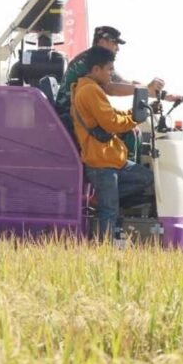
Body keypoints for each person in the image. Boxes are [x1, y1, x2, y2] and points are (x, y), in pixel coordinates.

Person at [71, 46, 154, 242]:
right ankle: (104, 249)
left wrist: (133, 115)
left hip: (110, 159)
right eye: (109, 70)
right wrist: (135, 119)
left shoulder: (90, 89)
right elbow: (112, 124)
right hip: (101, 163)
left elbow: (112, 116)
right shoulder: (90, 91)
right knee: (109, 212)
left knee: (145, 177)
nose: (111, 74)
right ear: (96, 70)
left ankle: (100, 198)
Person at [55, 26, 183, 143]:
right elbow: (111, 88)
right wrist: (147, 89)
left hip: (83, 117)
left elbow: (123, 82)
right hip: (71, 119)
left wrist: (163, 95)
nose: (118, 48)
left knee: (131, 132)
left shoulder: (100, 60)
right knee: (127, 133)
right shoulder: (87, 62)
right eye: (115, 43)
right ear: (102, 41)